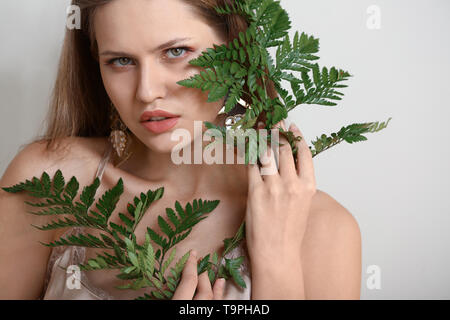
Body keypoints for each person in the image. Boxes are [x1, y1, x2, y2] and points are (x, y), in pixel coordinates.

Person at [0, 0, 361, 300]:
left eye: (176, 51)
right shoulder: (49, 179)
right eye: (121, 61)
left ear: (239, 51)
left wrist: (277, 263)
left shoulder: (322, 229)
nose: (146, 91)